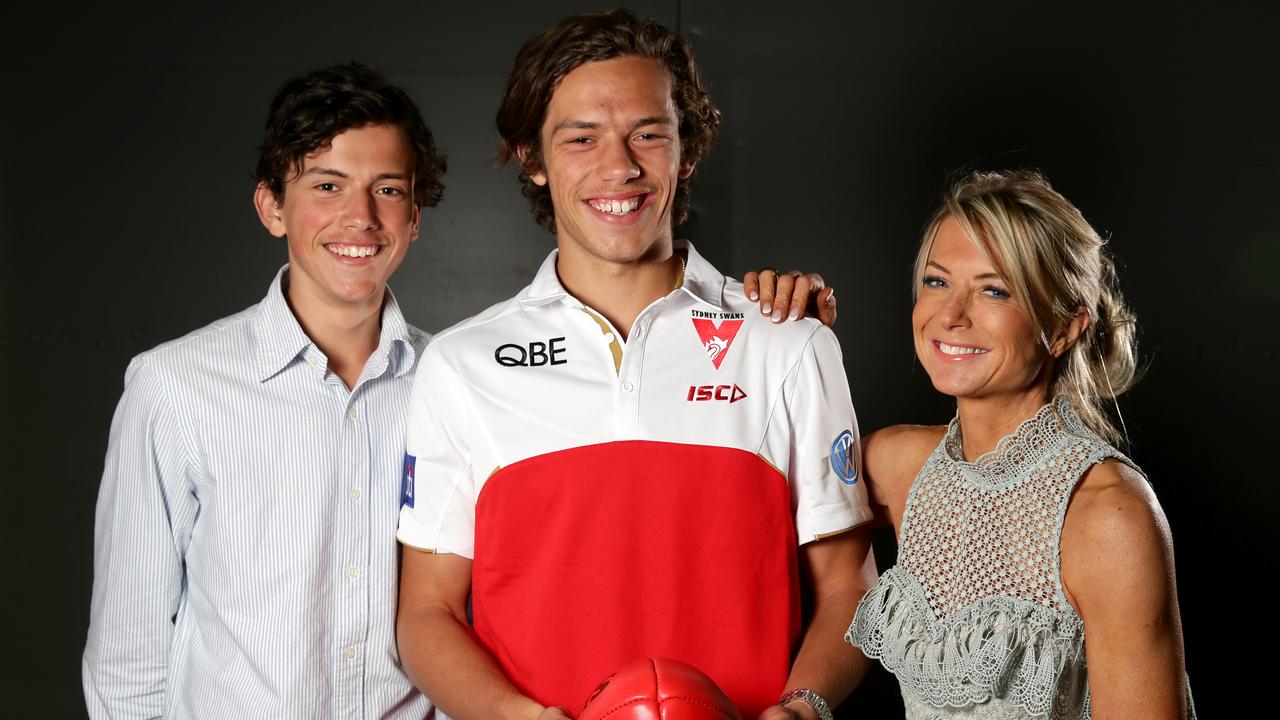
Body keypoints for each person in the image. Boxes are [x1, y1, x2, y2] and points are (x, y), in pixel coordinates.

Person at [394, 9, 875, 720]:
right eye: (581, 137)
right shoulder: (462, 364)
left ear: (688, 149)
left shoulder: (788, 341)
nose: (618, 167)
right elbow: (425, 613)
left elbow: (850, 588)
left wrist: (804, 707)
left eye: (648, 134)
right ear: (531, 155)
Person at [82, 63, 446, 718]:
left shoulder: (453, 383)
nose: (360, 217)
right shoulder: (175, 386)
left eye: (387, 189)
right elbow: (127, 649)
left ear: (415, 216)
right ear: (272, 207)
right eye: (327, 185)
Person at [842, 170, 1195, 718]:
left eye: (994, 290)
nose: (950, 315)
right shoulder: (895, 464)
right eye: (937, 281)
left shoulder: (1107, 512)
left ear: (1063, 328)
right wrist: (786, 335)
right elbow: (745, 506)